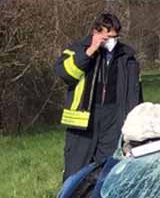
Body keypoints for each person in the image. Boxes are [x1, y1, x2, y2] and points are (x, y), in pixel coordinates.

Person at [54, 13, 142, 181]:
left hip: (114, 119)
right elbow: (63, 73)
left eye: (114, 37)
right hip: (83, 120)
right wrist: (89, 52)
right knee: (76, 171)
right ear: (95, 32)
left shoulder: (127, 57)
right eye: (107, 37)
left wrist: (134, 118)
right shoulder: (78, 49)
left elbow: (135, 92)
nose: (111, 41)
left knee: (111, 170)